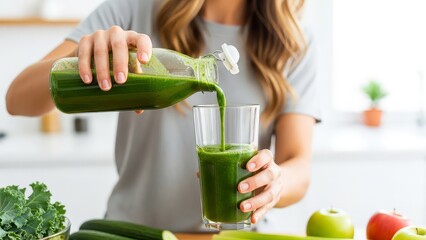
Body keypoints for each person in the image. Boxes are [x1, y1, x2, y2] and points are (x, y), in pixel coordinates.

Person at [6, 0, 320, 232]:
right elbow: (17, 99)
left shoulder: (293, 40)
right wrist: (79, 58)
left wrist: (275, 182)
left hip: (234, 236)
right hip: (134, 234)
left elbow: (298, 165)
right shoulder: (134, 9)